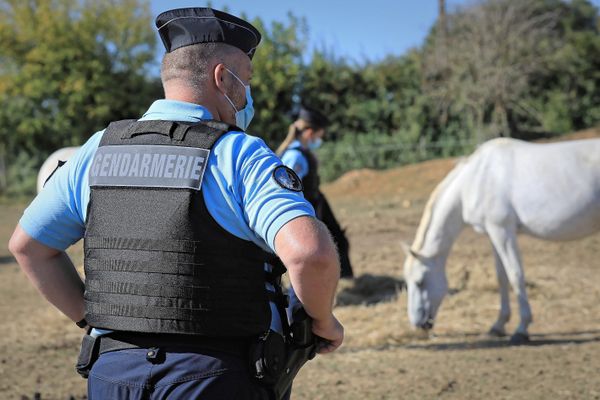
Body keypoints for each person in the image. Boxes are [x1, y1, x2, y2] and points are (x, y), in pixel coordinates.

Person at [8, 7, 343, 400]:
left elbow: (28, 247)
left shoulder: (97, 150)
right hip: (215, 375)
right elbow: (309, 254)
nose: (248, 94)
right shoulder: (239, 154)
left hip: (112, 373)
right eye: (247, 80)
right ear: (222, 77)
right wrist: (323, 321)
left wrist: (92, 318)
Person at [276, 107, 354, 278]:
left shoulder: (303, 153)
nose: (320, 140)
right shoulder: (295, 156)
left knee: (338, 241)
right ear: (310, 132)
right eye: (320, 135)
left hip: (315, 202)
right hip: (306, 208)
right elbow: (286, 189)